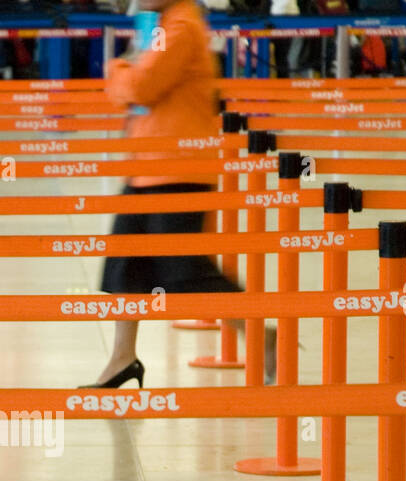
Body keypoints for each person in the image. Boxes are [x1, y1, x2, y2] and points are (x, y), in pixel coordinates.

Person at [83, 0, 275, 388]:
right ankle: (123, 359)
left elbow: (142, 86)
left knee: (186, 273)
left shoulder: (182, 26)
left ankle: (261, 333)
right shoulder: (163, 24)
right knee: (124, 267)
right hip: (148, 167)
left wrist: (117, 68)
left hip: (178, 169)